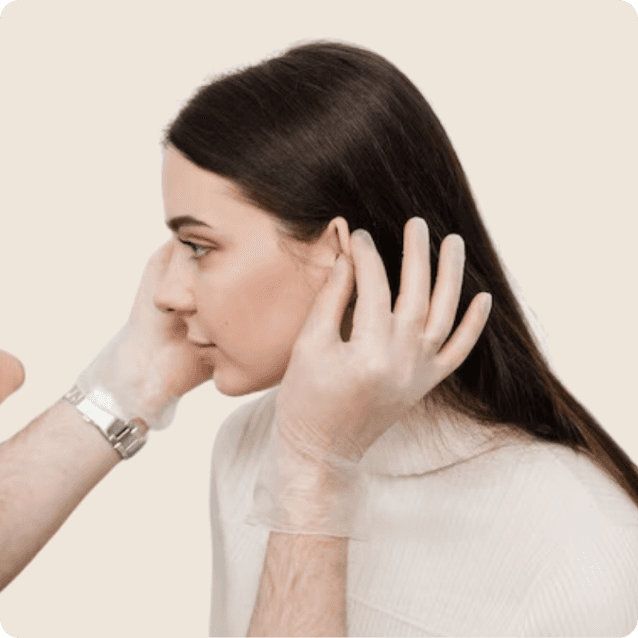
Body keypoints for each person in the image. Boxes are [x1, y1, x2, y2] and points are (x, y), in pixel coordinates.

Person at [1, 40, 637, 637]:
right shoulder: (250, 446)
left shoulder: (585, 546)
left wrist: (313, 472)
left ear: (340, 257)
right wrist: (133, 381)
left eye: (198, 245)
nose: (165, 292)